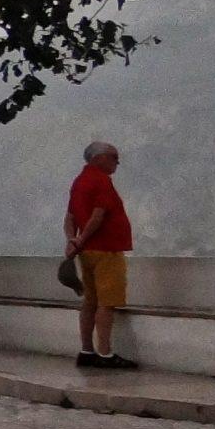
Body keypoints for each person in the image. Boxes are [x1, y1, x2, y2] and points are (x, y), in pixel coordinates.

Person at [65, 140, 135, 370]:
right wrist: (82, 239)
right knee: (107, 303)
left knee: (89, 302)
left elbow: (70, 217)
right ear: (99, 158)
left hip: (86, 253)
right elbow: (98, 216)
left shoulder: (79, 182)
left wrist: (73, 241)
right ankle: (105, 354)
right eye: (114, 156)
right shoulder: (101, 181)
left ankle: (86, 351)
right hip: (107, 250)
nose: (118, 161)